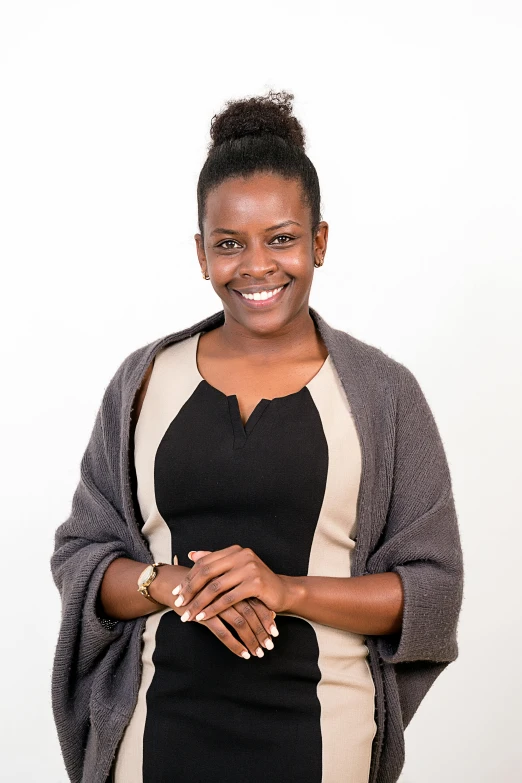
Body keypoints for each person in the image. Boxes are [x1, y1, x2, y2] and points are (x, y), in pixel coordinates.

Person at [50, 89, 464, 783]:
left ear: (319, 241)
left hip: (323, 737)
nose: (257, 266)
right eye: (229, 243)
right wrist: (177, 584)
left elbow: (431, 591)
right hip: (158, 735)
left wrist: (285, 590)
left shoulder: (383, 394)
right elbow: (84, 562)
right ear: (200, 252)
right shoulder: (143, 382)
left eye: (282, 238)